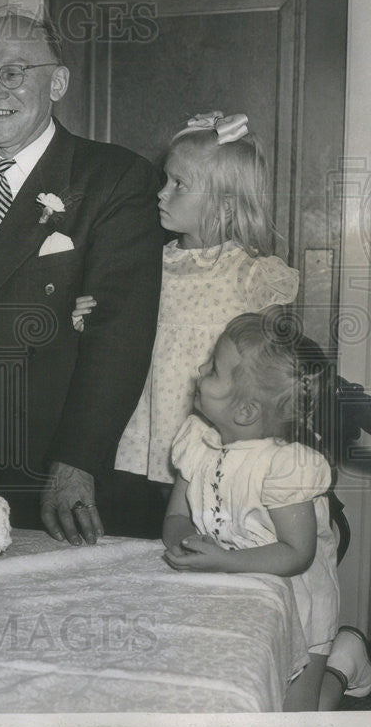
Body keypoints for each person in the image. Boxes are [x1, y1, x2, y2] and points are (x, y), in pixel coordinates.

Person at [0, 13, 165, 538]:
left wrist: (77, 462)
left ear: (56, 82)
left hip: (49, 469)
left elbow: (120, 334)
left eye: (13, 73)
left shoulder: (114, 178)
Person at [161, 307, 371, 710]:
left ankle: (344, 665)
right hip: (232, 580)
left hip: (297, 593)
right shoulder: (197, 439)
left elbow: (297, 553)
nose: (199, 370)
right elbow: (177, 515)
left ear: (245, 411)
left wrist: (223, 560)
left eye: (213, 370)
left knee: (295, 709)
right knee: (243, 691)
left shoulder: (286, 464)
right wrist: (184, 545)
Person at [104, 112, 298, 491]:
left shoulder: (251, 274)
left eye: (179, 184)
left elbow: (274, 366)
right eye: (165, 179)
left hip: (216, 430)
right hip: (144, 423)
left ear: (225, 205)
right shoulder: (149, 262)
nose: (161, 192)